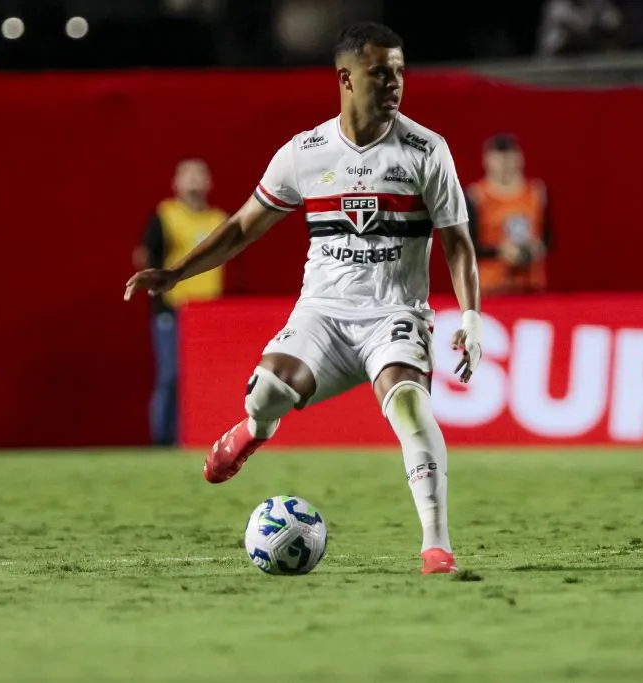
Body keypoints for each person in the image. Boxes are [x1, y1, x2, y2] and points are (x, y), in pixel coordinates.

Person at [124, 22, 482, 575]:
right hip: (322, 316)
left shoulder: (426, 150)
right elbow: (243, 227)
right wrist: (175, 273)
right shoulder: (305, 153)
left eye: (400, 72)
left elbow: (458, 242)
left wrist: (472, 317)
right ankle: (252, 430)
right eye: (380, 72)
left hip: (395, 315)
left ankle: (436, 545)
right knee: (265, 395)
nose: (394, 84)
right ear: (345, 77)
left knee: (411, 408)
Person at [132, 159, 227, 447]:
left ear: (210, 182)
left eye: (201, 174)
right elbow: (145, 255)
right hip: (172, 309)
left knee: (206, 381)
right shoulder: (166, 215)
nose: (195, 180)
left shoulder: (219, 219)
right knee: (170, 375)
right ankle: (163, 440)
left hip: (209, 312)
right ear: (176, 183)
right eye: (188, 175)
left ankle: (201, 438)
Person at [465, 134, 551, 297]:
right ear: (487, 161)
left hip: (530, 285)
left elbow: (548, 238)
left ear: (520, 159)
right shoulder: (476, 196)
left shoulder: (536, 193)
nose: (505, 164)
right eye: (499, 159)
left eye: (510, 158)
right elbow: (466, 246)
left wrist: (536, 248)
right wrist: (499, 252)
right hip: (491, 288)